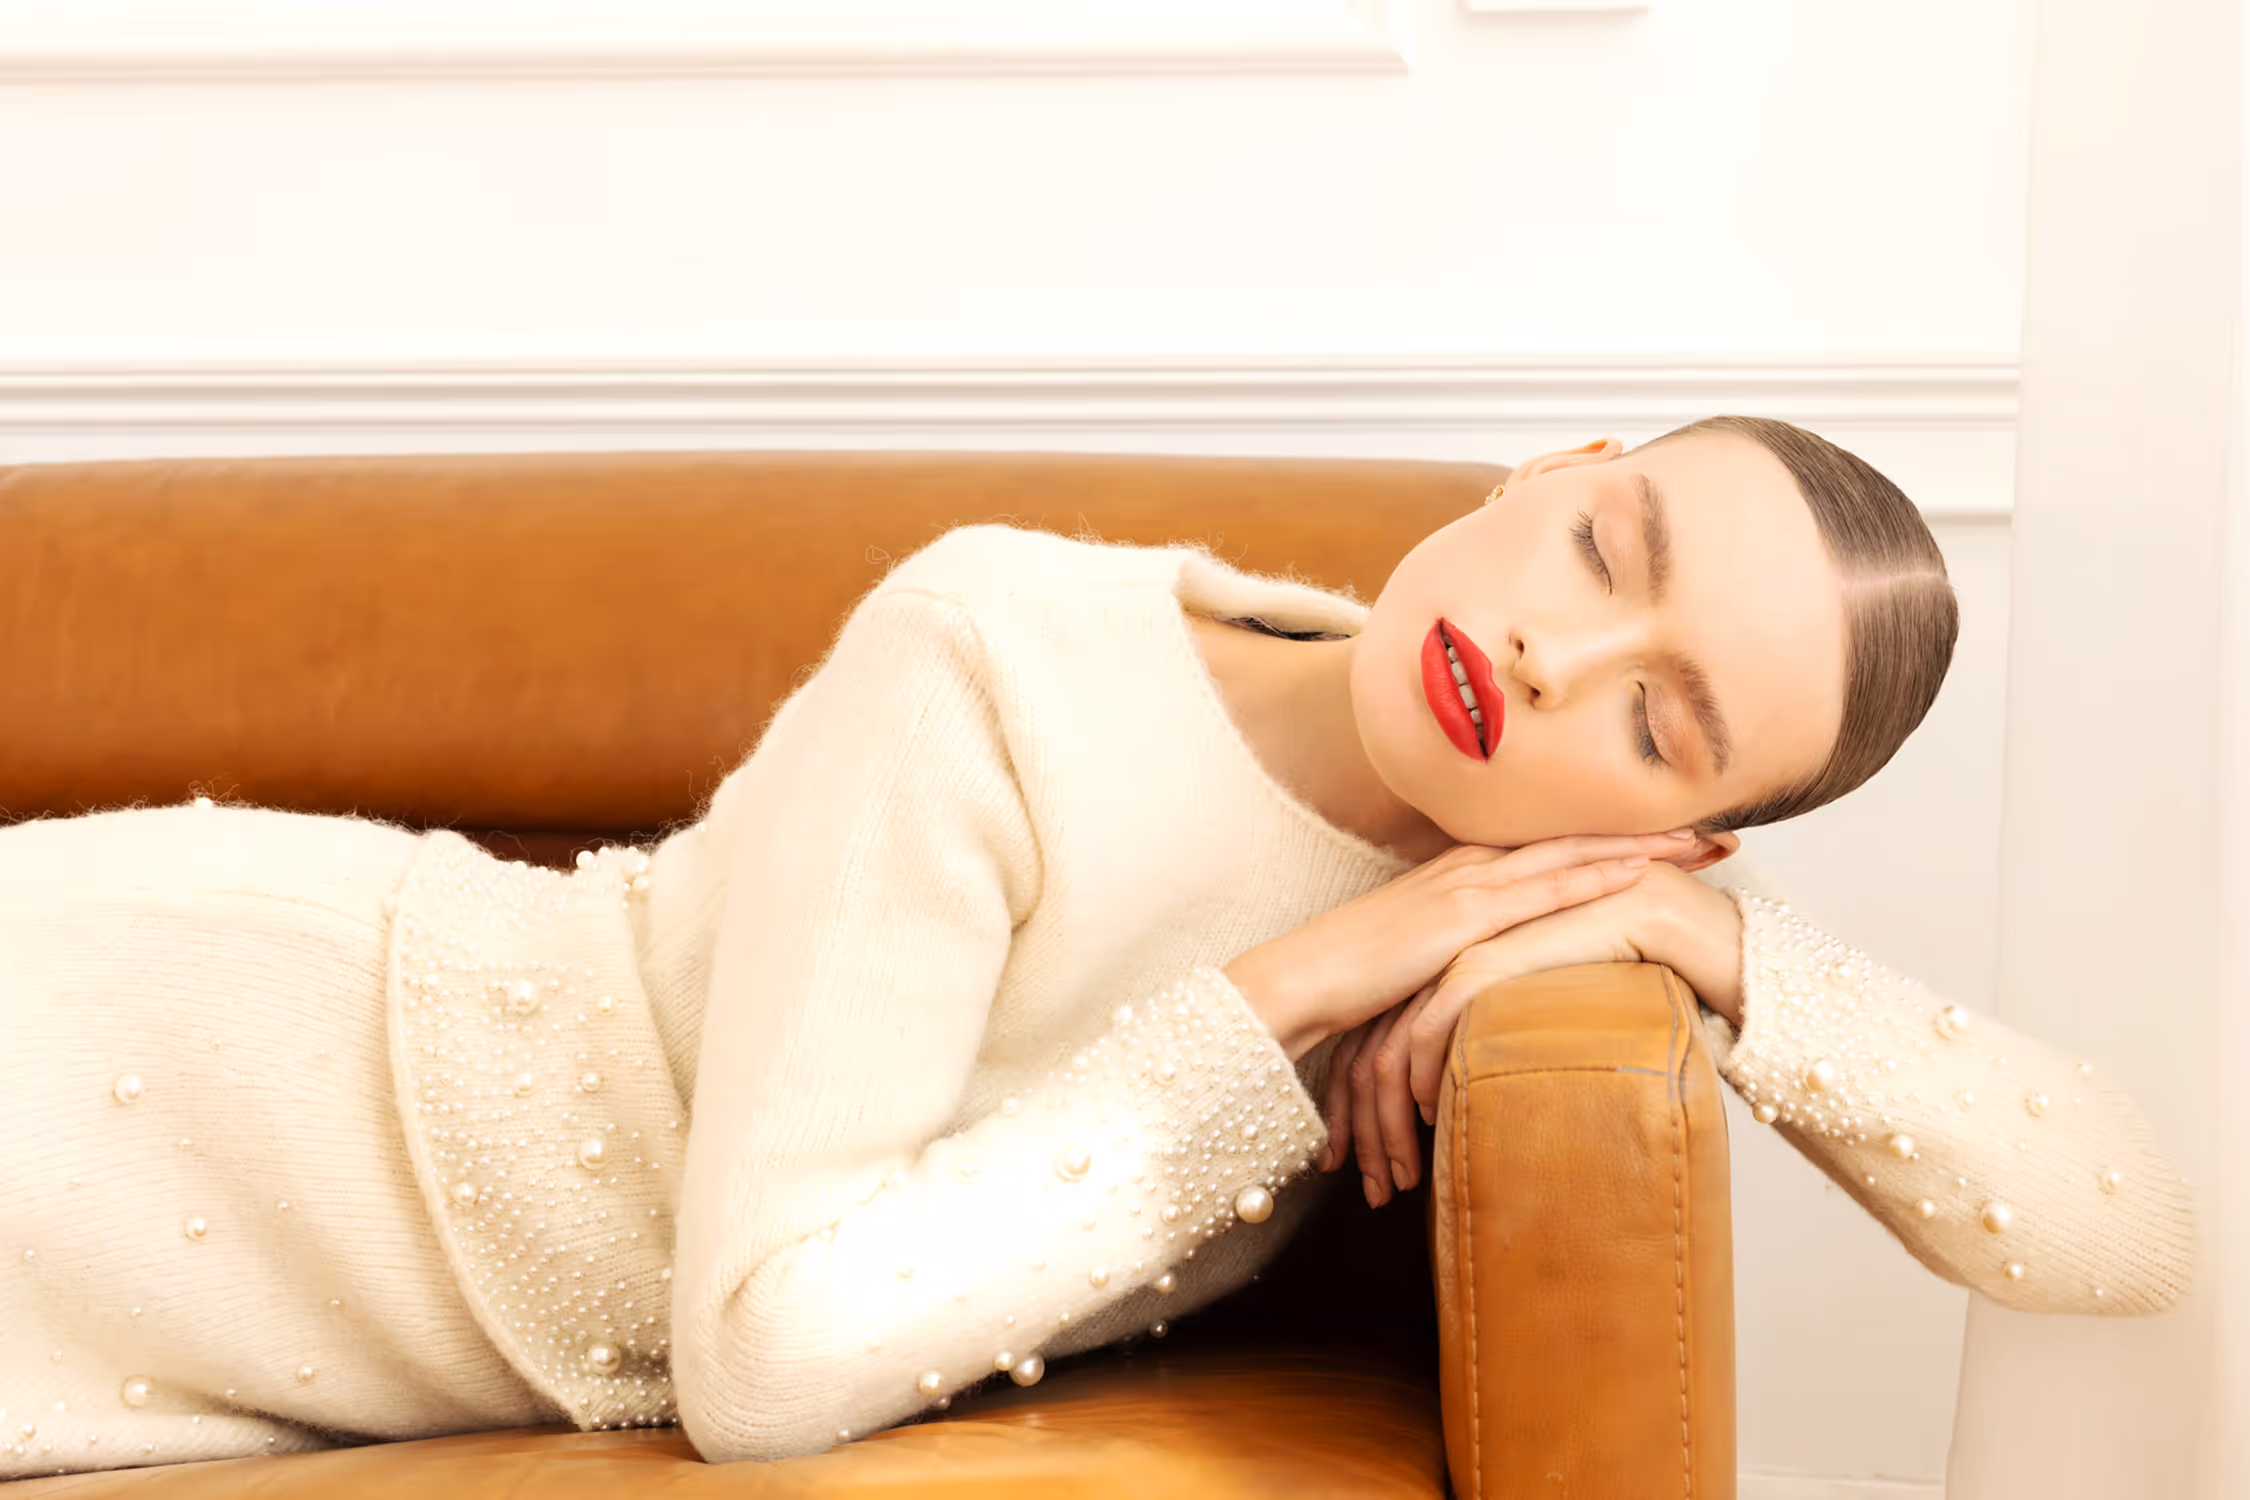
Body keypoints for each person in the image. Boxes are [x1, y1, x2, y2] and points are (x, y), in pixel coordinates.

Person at [0, 416, 2195, 1478]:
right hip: (196, 1056)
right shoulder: (998, 654)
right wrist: (1294, 1003)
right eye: (1604, 545)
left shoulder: (1550, 895)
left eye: (1655, 715)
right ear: (1561, 467)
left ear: (1683, 817)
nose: (1548, 648)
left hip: (255, 1304)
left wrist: (1719, 956)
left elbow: (2122, 1221)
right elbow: (767, 1352)